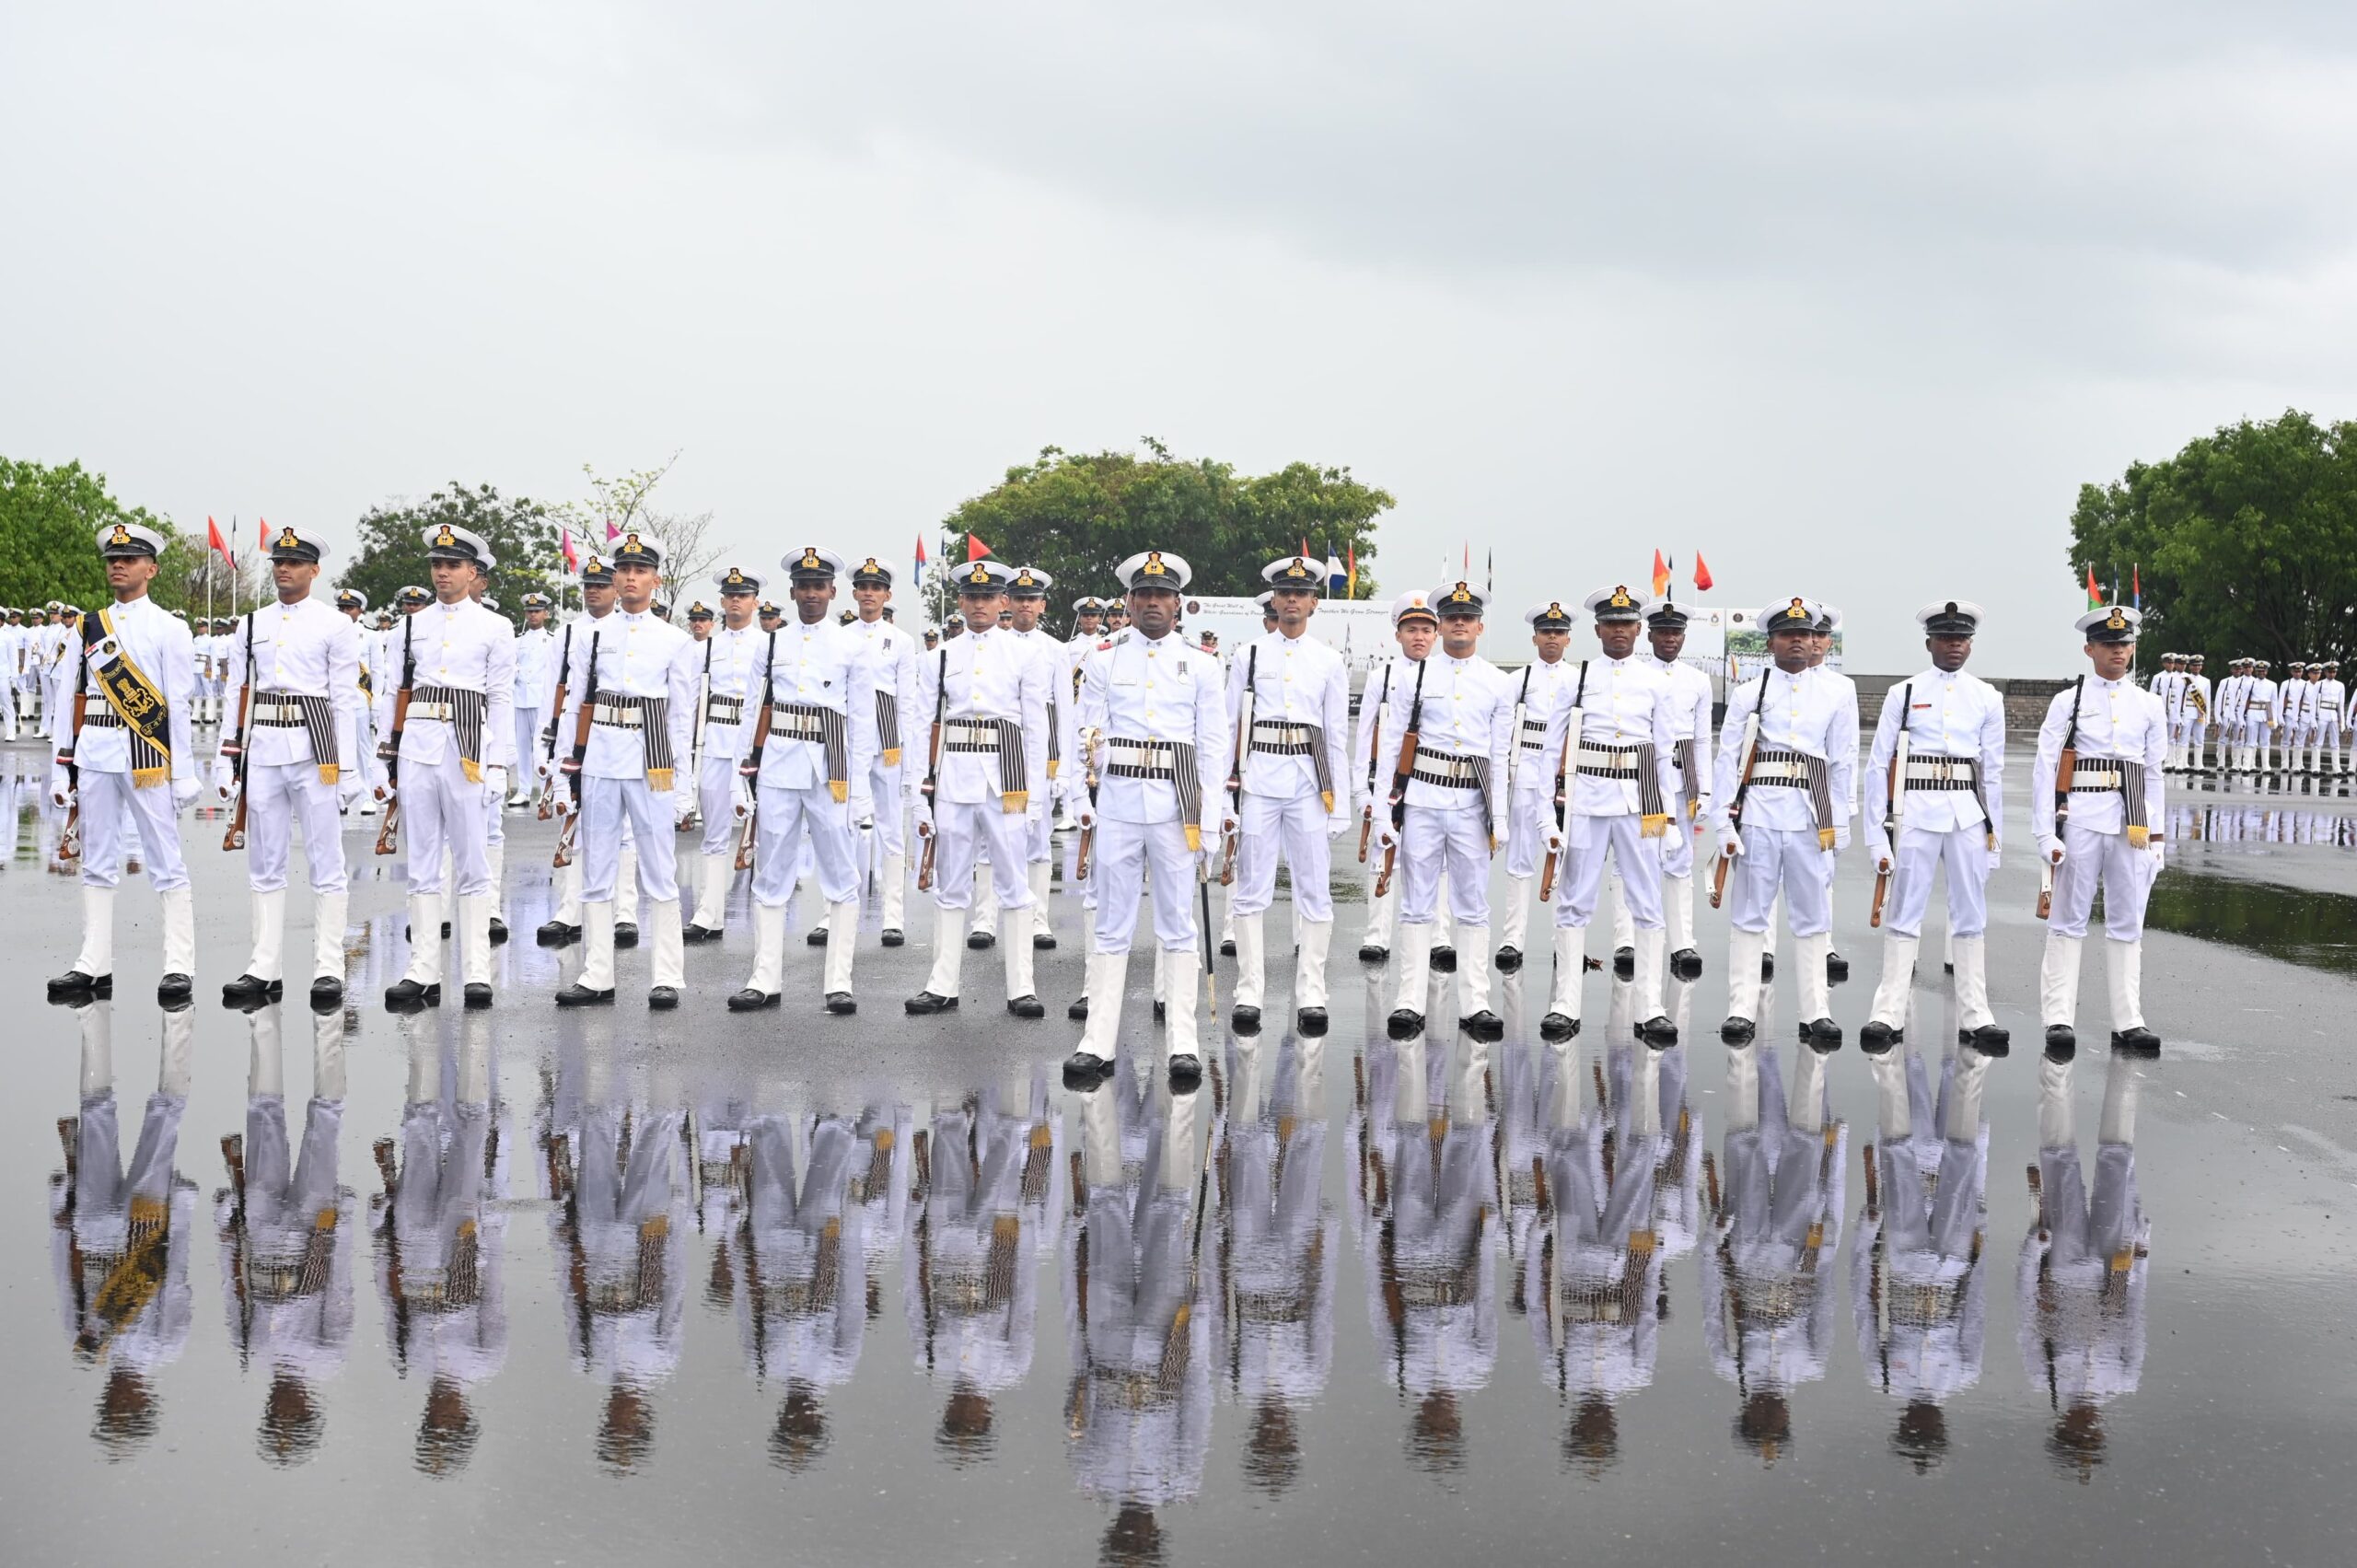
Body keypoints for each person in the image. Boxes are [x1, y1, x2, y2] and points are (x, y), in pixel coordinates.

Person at [1062, 552, 1226, 1085]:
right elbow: (1084, 734)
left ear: (1178, 604)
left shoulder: (1202, 665)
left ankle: (1183, 1042)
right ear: (1129, 602)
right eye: (1144, 594)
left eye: (1163, 595)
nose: (1153, 603)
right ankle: (1097, 1042)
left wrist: (1212, 819)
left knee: (1178, 924)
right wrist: (1080, 800)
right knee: (1111, 924)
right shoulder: (1104, 659)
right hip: (1117, 803)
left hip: (1178, 806)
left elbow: (1213, 747)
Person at [214, 526, 368, 1010]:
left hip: (315, 748)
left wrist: (347, 769)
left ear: (314, 570)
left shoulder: (334, 625)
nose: (284, 568)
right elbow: (237, 693)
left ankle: (328, 966)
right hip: (263, 747)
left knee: (327, 862)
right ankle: (264, 966)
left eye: (295, 562)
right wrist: (226, 756)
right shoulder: (252, 623)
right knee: (264, 862)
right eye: (279, 561)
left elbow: (344, 699)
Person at [48, 523, 201, 1005]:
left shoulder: (170, 629)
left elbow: (179, 704)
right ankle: (93, 963)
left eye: (130, 559)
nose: (118, 565)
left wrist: (183, 772)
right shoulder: (86, 627)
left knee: (165, 860)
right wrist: (60, 768)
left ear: (151, 569)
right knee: (95, 861)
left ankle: (178, 965)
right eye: (113, 559)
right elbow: (66, 700)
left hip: (147, 753)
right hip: (95, 750)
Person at [727, 548, 877, 1016]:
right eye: (804, 586)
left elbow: (863, 722)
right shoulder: (772, 644)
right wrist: (739, 776)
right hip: (779, 764)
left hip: (832, 768)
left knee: (841, 874)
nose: (811, 594)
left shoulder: (851, 646)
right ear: (792, 592)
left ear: (832, 591)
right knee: (771, 872)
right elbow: (751, 712)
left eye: (819, 586)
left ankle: (839, 983)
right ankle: (764, 979)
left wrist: (861, 791)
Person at [552, 529, 697, 1009]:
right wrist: (562, 771)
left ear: (656, 579)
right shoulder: (588, 634)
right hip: (600, 755)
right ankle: (597, 974)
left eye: (640, 570)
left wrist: (683, 787)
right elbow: (574, 704)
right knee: (596, 869)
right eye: (624, 570)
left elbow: (681, 719)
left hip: (652, 760)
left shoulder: (676, 641)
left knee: (659, 870)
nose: (631, 577)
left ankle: (667, 975)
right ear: (614, 578)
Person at [374, 526, 516, 1010]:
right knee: (422, 864)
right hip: (417, 746)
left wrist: (498, 764)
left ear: (473, 572)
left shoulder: (495, 627)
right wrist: (384, 757)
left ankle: (476, 970)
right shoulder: (409, 626)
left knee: (473, 862)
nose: (442, 572)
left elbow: (500, 697)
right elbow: (392, 693)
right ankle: (422, 969)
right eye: (437, 564)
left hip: (467, 749)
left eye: (453, 565)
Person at [1532, 585, 1681, 1046]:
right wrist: (1546, 816)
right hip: (1588, 803)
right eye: (1611, 624)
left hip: (1640, 804)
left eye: (1627, 624)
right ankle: (1565, 1004)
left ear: (1639, 630)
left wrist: (1670, 819)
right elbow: (1550, 753)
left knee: (1647, 903)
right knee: (1574, 902)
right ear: (1597, 630)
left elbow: (1664, 754)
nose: (1619, 630)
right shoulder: (1576, 679)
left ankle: (1651, 1007)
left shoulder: (1657, 683)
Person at [1860, 600, 2009, 1054]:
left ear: (1971, 644)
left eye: (1961, 638)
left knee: (1971, 914)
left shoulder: (1987, 697)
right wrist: (1876, 835)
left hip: (1967, 814)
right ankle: (1888, 1011)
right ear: (1929, 643)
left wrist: (1994, 839)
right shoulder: (1903, 693)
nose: (1954, 645)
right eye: (1945, 638)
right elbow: (1878, 765)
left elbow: (1993, 772)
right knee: (1905, 910)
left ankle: (1976, 1014)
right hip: (1916, 811)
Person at [905, 561, 1051, 1019]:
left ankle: (1022, 988)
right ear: (961, 602)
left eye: (989, 597)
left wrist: (1036, 796)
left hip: (1007, 778)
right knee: (950, 883)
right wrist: (917, 792)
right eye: (972, 597)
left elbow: (1035, 728)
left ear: (1003, 601)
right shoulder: (939, 657)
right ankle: (941, 984)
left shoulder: (1025, 654)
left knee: (1014, 883)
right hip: (955, 775)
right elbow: (921, 725)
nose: (980, 605)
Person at [1710, 597, 1859, 1048]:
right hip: (1758, 812)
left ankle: (1816, 1012)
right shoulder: (1748, 694)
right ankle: (1741, 1008)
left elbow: (1842, 760)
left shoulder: (1837, 693)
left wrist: (1841, 821)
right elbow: (1728, 760)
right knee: (1750, 913)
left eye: (1805, 634)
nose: (1798, 641)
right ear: (1770, 642)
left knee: (1813, 916)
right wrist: (1722, 821)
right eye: (1787, 634)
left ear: (1816, 641)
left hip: (1811, 816)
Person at [215, 1002, 358, 1466]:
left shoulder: (251, 1355)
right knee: (324, 1124)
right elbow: (339, 1294)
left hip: (259, 1237)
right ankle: (329, 1030)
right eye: (291, 1418)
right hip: (312, 1243)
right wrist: (342, 1225)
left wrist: (225, 1230)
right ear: (308, 1412)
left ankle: (264, 1023)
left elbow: (235, 1293)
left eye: (277, 1418)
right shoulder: (327, 1360)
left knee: (263, 1117)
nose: (283, 1410)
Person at [1376, 581, 1511, 1038]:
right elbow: (1391, 748)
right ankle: (1409, 1000)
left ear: (1479, 626)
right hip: (1423, 802)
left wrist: (1500, 817)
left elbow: (1500, 756)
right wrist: (1383, 811)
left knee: (1472, 905)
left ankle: (1476, 1002)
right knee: (1416, 904)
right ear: (1441, 625)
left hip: (1472, 803)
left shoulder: (1498, 683)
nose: (1459, 624)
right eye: (1451, 617)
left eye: (1467, 618)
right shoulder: (1413, 677)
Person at [1225, 554, 1351, 1035]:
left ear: (1315, 603)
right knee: (1251, 888)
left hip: (1309, 783)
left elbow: (1336, 736)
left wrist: (1339, 802)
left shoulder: (1329, 661)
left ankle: (1311, 991)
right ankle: (1249, 990)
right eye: (1285, 592)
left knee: (1314, 888)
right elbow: (1230, 726)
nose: (1292, 599)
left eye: (1301, 593)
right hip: (1259, 778)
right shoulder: (1249, 655)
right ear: (1274, 601)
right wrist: (1222, 794)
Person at [2032, 605, 2165, 1056]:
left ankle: (2129, 1021)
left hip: (2133, 823)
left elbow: (2153, 773)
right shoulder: (2068, 701)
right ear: (2089, 649)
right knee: (2068, 919)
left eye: (2125, 644)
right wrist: (2045, 832)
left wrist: (2158, 838)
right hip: (2082, 817)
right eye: (2109, 644)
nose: (2118, 652)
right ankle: (2058, 1018)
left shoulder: (2148, 704)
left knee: (2128, 922)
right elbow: (2046, 767)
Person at [2021, 1047, 2149, 1478]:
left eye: (2079, 1437)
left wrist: (2032, 1254)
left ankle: (2055, 1071)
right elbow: (2135, 1314)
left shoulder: (2046, 1378)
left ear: (2062, 1429)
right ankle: (2125, 1074)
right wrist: (2141, 1258)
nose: (2090, 1430)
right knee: (2117, 1160)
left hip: (2064, 1270)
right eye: (2094, 1438)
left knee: (2058, 1160)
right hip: (2116, 1272)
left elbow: (2028, 1314)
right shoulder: (2125, 1380)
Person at [968, 566, 1064, 954]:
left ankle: (1038, 919)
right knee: (989, 839)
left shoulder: (1055, 649)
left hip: (1039, 755)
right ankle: (984, 919)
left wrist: (1062, 768)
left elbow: (1062, 712)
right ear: (1009, 602)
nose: (1025, 605)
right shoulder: (996, 644)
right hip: (1000, 754)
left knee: (1038, 840)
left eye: (1032, 599)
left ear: (1042, 605)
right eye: (1020, 598)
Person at [680, 565, 766, 945]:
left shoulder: (768, 645)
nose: (736, 601)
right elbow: (690, 703)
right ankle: (709, 913)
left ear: (755, 602)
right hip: (716, 741)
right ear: (722, 601)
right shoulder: (706, 649)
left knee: (761, 831)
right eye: (731, 595)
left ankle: (764, 912)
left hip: (754, 747)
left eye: (743, 595)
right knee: (714, 833)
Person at [1495, 602, 1580, 974]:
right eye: (1546, 632)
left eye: (1559, 632)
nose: (1552, 638)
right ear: (1535, 638)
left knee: (1566, 858)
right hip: (1527, 773)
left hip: (1565, 777)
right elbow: (1502, 732)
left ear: (1568, 639)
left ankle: (1564, 941)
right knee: (1519, 858)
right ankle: (1512, 939)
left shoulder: (1579, 679)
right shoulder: (1520, 679)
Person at [843, 555, 923, 945]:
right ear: (855, 593)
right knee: (844, 826)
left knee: (891, 830)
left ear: (887, 595)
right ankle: (836, 910)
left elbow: (907, 702)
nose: (869, 594)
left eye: (876, 588)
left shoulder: (902, 641)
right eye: (863, 587)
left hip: (888, 741)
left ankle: (893, 916)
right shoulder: (840, 637)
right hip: (848, 742)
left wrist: (910, 757)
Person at [510, 593, 557, 805]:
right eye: (529, 611)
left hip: (542, 701)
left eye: (537, 611)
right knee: (522, 748)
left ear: (545, 614)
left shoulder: (553, 641)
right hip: (521, 699)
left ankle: (547, 789)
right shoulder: (517, 641)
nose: (533, 615)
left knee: (543, 746)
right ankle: (524, 790)